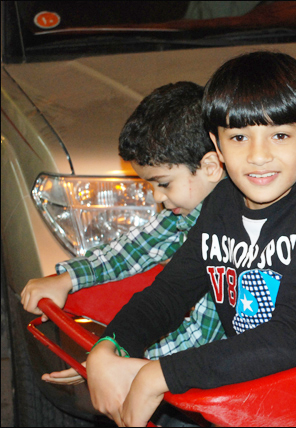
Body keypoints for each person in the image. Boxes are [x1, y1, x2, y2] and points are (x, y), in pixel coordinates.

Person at [86, 51, 296, 427]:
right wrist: (110, 346)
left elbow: (294, 335)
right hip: (272, 397)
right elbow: (169, 293)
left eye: (280, 135)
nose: (258, 156)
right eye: (239, 137)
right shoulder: (220, 203)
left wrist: (159, 374)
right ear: (217, 145)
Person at [20, 82, 227, 385]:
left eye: (163, 183)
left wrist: (118, 364)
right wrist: (67, 278)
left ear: (210, 166)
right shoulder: (188, 212)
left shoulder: (232, 229)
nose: (157, 197)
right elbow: (135, 248)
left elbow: (203, 334)